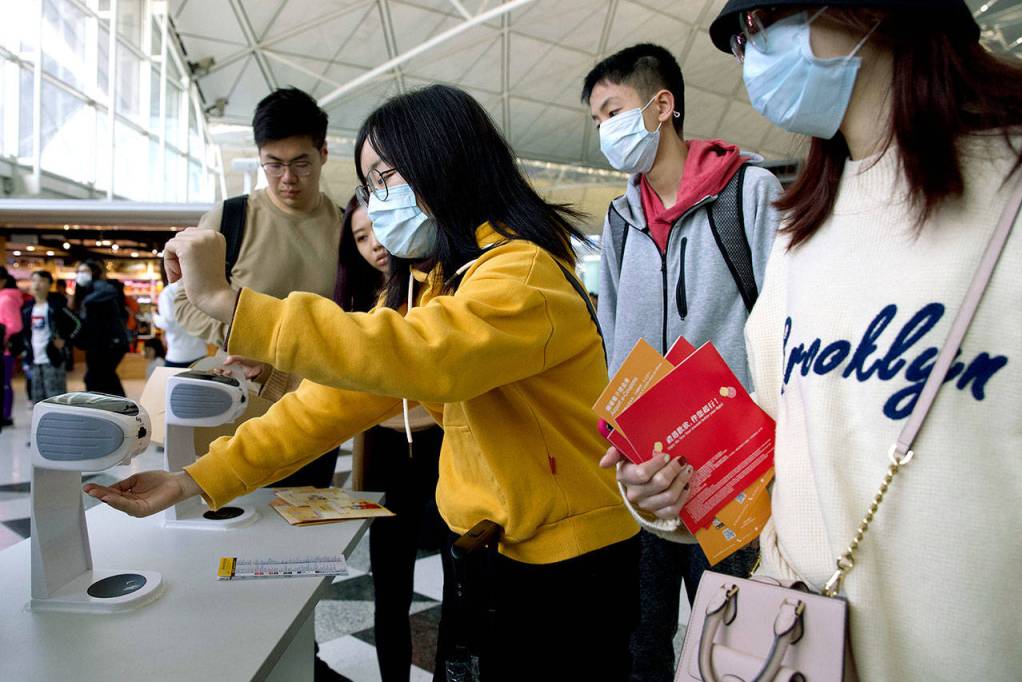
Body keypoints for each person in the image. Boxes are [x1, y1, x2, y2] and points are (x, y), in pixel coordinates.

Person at [86, 84, 641, 681]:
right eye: (370, 185)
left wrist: (230, 302)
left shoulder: (522, 272)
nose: (378, 204)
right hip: (488, 551)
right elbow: (327, 404)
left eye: (386, 178)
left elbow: (424, 356)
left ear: (445, 161)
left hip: (566, 562)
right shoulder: (437, 283)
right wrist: (195, 478)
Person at [606, 1, 1022, 680]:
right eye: (741, 39)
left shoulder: (1005, 193)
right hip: (798, 646)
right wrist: (668, 491)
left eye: (764, 19)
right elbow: (776, 450)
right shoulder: (804, 229)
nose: (753, 54)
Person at [582, 42, 781, 680]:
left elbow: (784, 324)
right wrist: (618, 437)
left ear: (662, 105)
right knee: (642, 642)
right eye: (596, 120)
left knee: (734, 647)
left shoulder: (748, 193)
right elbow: (615, 336)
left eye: (613, 111)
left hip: (733, 475)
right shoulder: (621, 219)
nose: (604, 130)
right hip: (648, 475)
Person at [173, 86, 343, 489]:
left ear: (323, 153)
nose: (288, 178)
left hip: (316, 408)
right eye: (274, 165)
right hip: (241, 404)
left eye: (301, 163)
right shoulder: (231, 218)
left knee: (307, 510)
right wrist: (244, 337)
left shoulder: (347, 229)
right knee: (235, 511)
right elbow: (185, 301)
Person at [334, 195, 448, 682]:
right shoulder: (356, 302)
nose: (374, 245)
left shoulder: (438, 285)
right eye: (360, 238)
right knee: (390, 581)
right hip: (384, 448)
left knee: (458, 580)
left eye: (378, 229)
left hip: (442, 442)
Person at [18, 270, 80, 403]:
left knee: (55, 399)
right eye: (34, 280)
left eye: (42, 280)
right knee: (37, 398)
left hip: (53, 358)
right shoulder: (27, 308)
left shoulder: (56, 306)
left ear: (50, 284)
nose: (37, 284)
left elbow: (77, 324)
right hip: (34, 358)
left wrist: (65, 340)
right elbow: (25, 332)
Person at [72, 260, 129, 396]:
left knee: (99, 377)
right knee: (102, 377)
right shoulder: (88, 292)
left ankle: (116, 404)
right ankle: (113, 404)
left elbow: (109, 291)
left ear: (94, 272)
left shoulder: (99, 287)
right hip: (101, 343)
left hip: (108, 343)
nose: (80, 275)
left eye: (84, 271)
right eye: (78, 272)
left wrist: (86, 302)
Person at [153, 265, 207, 369]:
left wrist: (155, 318)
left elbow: (168, 323)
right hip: (199, 352)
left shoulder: (168, 292)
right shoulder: (198, 288)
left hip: (178, 354)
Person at [0, 272, 24, 427]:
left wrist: (3, 333)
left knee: (4, 383)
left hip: (5, 350)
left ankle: (5, 415)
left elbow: (15, 325)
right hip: (4, 349)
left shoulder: (6, 299)